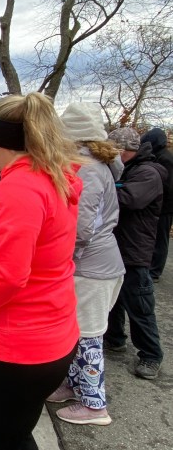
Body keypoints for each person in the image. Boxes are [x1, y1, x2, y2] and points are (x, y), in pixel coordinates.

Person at [0, 93, 83, 449]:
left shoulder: (20, 189)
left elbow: (9, 275)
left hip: (22, 346)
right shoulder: (49, 178)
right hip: (53, 334)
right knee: (17, 431)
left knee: (3, 438)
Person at [47, 102, 125, 426]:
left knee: (90, 335)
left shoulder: (88, 169)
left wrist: (52, 249)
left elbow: (80, 227)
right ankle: (74, 385)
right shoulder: (96, 164)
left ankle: (95, 406)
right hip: (96, 265)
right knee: (77, 333)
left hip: (93, 268)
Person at [104, 127, 166, 380]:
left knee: (139, 305)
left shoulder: (148, 173)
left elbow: (129, 199)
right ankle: (114, 338)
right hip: (117, 246)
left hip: (134, 250)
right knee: (113, 300)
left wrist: (103, 188)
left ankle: (151, 355)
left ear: (124, 151)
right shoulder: (128, 169)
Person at [140, 128, 173, 282]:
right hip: (160, 205)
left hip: (165, 207)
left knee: (161, 239)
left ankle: (155, 271)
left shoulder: (166, 159)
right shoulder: (159, 157)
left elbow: (167, 186)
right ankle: (152, 266)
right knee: (155, 237)